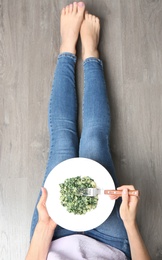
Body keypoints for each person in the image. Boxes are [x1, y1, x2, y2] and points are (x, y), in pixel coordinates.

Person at [26, 2, 151, 260]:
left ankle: (67, 48)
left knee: (63, 137)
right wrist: (129, 223)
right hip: (111, 239)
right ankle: (92, 53)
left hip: (54, 233)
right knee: (94, 138)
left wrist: (45, 225)